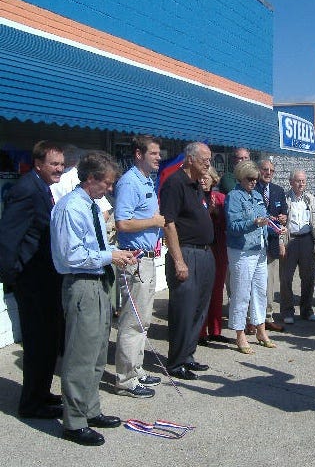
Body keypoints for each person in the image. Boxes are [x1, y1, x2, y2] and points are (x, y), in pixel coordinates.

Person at [51, 151, 136, 446]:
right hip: (82, 284)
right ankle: (74, 422)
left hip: (99, 281)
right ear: (90, 179)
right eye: (107, 183)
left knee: (98, 352)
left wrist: (115, 255)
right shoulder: (71, 207)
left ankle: (90, 409)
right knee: (80, 357)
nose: (110, 188)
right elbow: (70, 254)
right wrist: (108, 255)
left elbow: (95, 246)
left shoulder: (91, 205)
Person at [0, 140, 65, 420]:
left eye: (62, 164)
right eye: (54, 164)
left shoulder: (42, 188)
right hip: (32, 281)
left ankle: (41, 392)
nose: (59, 169)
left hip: (46, 279)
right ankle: (31, 404)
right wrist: (11, 278)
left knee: (48, 343)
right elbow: (8, 238)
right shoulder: (26, 190)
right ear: (38, 163)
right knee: (37, 345)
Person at [114, 135, 165, 399]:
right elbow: (122, 223)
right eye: (154, 153)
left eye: (159, 154)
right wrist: (154, 221)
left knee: (143, 320)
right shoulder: (129, 182)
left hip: (147, 258)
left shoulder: (147, 180)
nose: (158, 157)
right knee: (132, 321)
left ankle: (136, 368)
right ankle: (125, 379)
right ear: (138, 154)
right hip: (134, 260)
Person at [160, 142, 216, 380]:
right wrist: (179, 261)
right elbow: (168, 223)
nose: (208, 164)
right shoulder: (175, 184)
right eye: (204, 159)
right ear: (190, 159)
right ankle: (175, 362)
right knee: (183, 310)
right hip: (186, 254)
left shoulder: (197, 186)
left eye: (210, 159)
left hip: (205, 254)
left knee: (199, 309)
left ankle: (188, 355)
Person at [225, 160, 277, 354]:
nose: (254, 182)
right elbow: (233, 226)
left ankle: (261, 330)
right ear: (241, 177)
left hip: (259, 249)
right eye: (250, 179)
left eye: (256, 179)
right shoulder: (234, 197)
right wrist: (254, 222)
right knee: (241, 293)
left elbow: (264, 219)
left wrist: (273, 225)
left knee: (260, 291)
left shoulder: (256, 196)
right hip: (242, 251)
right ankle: (240, 334)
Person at [280, 169, 315, 323]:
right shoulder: (284, 199)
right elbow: (280, 224)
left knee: (308, 277)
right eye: (298, 180)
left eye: (303, 181)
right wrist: (281, 243)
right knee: (286, 278)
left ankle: (306, 310)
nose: (301, 184)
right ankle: (287, 312)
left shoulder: (310, 199)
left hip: (306, 240)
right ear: (291, 182)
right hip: (290, 240)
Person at [199, 166, 232, 345]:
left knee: (217, 291)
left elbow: (228, 223)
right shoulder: (194, 197)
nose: (203, 180)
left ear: (213, 179)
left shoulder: (220, 198)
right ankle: (201, 331)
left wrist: (217, 213)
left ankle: (216, 329)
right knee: (203, 291)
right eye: (201, 177)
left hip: (218, 249)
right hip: (202, 249)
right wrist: (207, 213)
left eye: (207, 177)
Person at [255, 159, 287, 332]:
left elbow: (284, 213)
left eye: (271, 171)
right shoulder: (253, 188)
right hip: (255, 244)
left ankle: (268, 317)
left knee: (269, 284)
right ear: (259, 170)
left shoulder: (278, 191)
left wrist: (284, 218)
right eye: (265, 169)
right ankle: (252, 319)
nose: (268, 173)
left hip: (272, 244)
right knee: (254, 282)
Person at [50, 144, 112, 220]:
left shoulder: (53, 181)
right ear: (77, 160)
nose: (110, 188)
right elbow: (105, 214)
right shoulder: (89, 181)